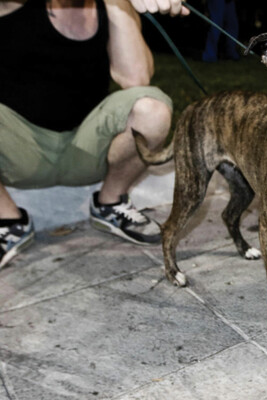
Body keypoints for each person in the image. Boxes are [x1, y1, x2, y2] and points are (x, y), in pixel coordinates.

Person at [0, 0, 186, 269]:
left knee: (152, 109)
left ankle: (109, 203)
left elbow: (136, 79)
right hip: (19, 152)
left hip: (86, 151)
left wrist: (119, 4)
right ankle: (8, 221)